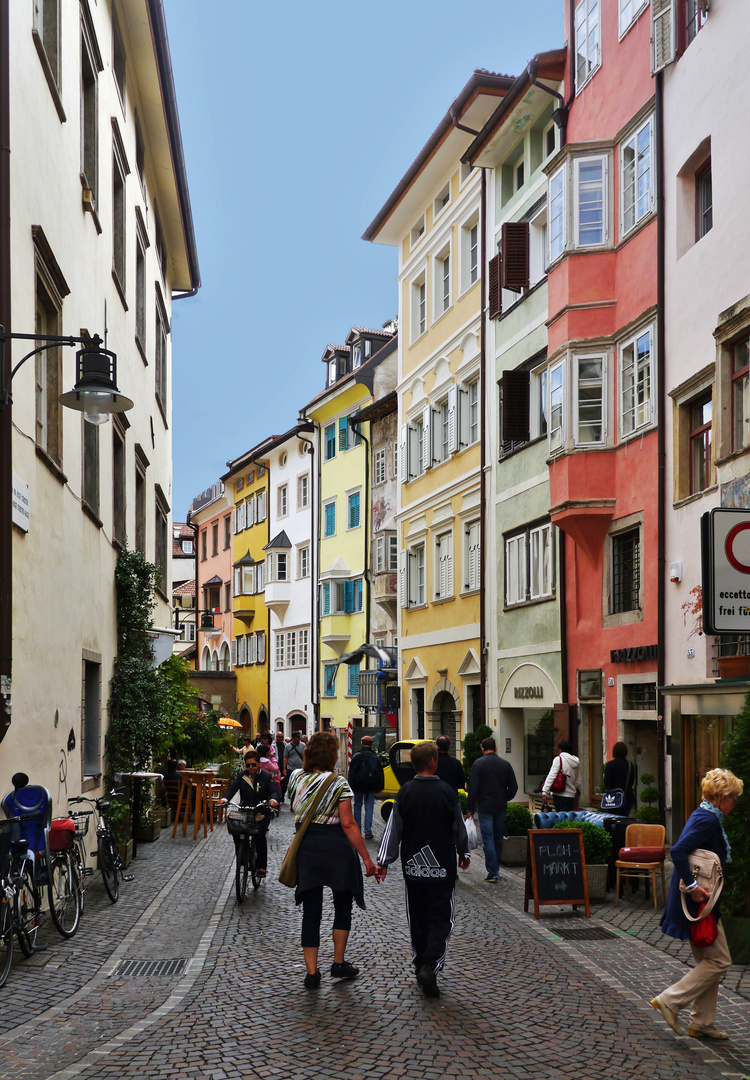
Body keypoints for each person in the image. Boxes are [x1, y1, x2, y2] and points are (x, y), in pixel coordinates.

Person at [651, 768, 743, 1041]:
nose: (734, 804)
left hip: (700, 902)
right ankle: (671, 1000)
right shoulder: (708, 820)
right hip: (699, 902)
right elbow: (677, 850)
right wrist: (693, 889)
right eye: (733, 798)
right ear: (723, 797)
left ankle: (701, 1022)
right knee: (720, 960)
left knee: (708, 960)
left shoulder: (703, 814)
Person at [376, 741, 470, 998]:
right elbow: (459, 829)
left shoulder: (405, 792)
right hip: (442, 868)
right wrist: (464, 852)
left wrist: (383, 860)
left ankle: (421, 965)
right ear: (433, 762)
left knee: (417, 918)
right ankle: (430, 964)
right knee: (441, 919)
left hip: (413, 868)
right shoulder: (447, 792)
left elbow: (393, 830)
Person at [287, 731, 378, 990]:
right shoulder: (340, 784)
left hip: (307, 846)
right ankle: (338, 963)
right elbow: (348, 824)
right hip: (336, 847)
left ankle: (312, 973)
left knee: (311, 911)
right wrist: (367, 858)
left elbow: (292, 805)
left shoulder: (295, 778)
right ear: (332, 755)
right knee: (342, 906)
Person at [466, 737, 518, 883]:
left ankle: (493, 871)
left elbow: (473, 788)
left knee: (487, 838)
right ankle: (496, 869)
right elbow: (513, 787)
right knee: (497, 838)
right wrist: (504, 797)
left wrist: (470, 808)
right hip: (500, 806)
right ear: (495, 748)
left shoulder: (478, 764)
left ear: (482, 749)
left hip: (484, 806)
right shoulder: (505, 764)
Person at [220, 751, 278, 878]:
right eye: (248, 765)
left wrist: (273, 800)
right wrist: (225, 799)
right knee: (237, 833)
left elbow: (273, 790)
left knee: (259, 836)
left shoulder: (266, 777)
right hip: (245, 810)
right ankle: (242, 857)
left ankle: (261, 866)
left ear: (258, 764)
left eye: (253, 764)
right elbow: (232, 788)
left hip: (261, 811)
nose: (251, 768)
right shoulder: (241, 776)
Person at [348, 735, 385, 840]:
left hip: (358, 786)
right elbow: (379, 773)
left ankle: (357, 830)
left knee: (357, 806)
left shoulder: (356, 756)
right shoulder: (375, 757)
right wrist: (379, 787)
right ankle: (368, 831)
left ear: (362, 743)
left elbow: (352, 774)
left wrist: (351, 787)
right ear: (371, 744)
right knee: (369, 808)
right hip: (370, 786)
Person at [541, 739, 580, 811]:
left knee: (561, 818)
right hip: (571, 795)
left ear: (560, 750)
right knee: (568, 818)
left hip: (560, 794)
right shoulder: (576, 761)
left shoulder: (558, 759)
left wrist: (545, 791)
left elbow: (551, 776)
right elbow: (578, 780)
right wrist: (572, 788)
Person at [603, 742, 637, 816]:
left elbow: (607, 783)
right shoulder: (630, 765)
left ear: (614, 752)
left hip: (613, 798)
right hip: (627, 797)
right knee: (624, 818)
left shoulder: (610, 765)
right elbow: (632, 781)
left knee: (613, 819)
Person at [275, 731, 289, 802]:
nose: (281, 738)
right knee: (277, 781)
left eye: (282, 737)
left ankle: (282, 794)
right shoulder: (273, 745)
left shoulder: (285, 745)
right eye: (279, 737)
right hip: (275, 767)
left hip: (284, 766)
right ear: (276, 737)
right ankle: (278, 796)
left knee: (284, 782)